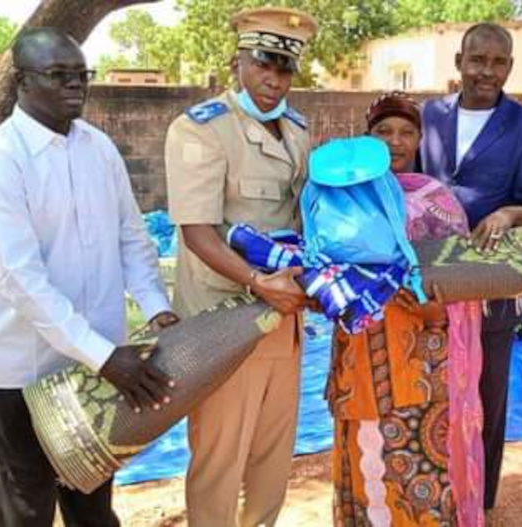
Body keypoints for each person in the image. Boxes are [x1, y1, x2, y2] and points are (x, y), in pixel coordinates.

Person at [0, 28, 178, 526]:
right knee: (26, 504)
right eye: (58, 75)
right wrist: (104, 357)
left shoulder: (98, 148)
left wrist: (155, 306)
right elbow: (21, 280)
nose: (75, 85)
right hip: (23, 366)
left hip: (97, 359)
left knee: (91, 499)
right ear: (21, 81)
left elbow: (132, 236)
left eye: (82, 75)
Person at [163, 8, 316, 526]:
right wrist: (257, 281)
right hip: (223, 322)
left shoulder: (297, 131)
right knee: (220, 460)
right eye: (263, 63)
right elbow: (196, 232)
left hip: (284, 321)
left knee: (273, 457)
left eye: (285, 68)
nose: (273, 80)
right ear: (237, 62)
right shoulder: (201, 130)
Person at [418, 22, 522, 511]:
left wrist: (509, 213)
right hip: (429, 286)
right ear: (459, 63)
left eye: (499, 63)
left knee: (485, 398)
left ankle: (482, 501)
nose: (487, 72)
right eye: (478, 60)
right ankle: (432, 493)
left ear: (510, 68)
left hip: (493, 287)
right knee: (429, 389)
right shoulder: (427, 117)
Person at [330, 92, 485, 527]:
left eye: (405, 132)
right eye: (383, 132)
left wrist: (439, 308)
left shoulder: (439, 199)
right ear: (368, 138)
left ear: (419, 139)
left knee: (422, 458)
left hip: (426, 355)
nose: (395, 142)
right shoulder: (345, 199)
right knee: (367, 456)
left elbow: (463, 278)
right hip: (361, 348)